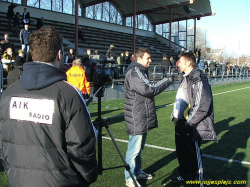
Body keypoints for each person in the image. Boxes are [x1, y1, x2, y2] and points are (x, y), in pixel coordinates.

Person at [0, 26, 98, 187]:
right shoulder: (69, 94)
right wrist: (89, 176)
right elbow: (82, 147)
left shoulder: (8, 94)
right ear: (59, 54)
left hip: (18, 180)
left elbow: (3, 142)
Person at [124, 48, 174, 187]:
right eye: (148, 58)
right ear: (139, 59)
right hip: (136, 116)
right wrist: (168, 80)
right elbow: (149, 89)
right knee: (134, 149)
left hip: (141, 115)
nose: (150, 61)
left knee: (139, 148)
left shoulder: (139, 71)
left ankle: (137, 171)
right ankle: (130, 178)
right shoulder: (135, 72)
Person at [170, 52, 217, 186]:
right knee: (182, 151)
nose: (178, 63)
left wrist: (189, 123)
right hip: (180, 122)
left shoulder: (198, 78)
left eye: (181, 61)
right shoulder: (184, 77)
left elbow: (202, 105)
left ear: (189, 63)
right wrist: (175, 116)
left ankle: (198, 182)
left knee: (193, 154)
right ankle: (185, 175)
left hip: (191, 124)